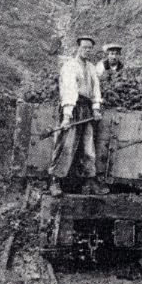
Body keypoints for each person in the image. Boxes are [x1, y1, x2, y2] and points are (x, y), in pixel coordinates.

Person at [48, 36, 108, 197]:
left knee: (88, 148)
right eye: (84, 47)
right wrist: (67, 116)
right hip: (73, 108)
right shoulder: (70, 66)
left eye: (89, 48)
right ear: (78, 48)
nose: (87, 51)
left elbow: (96, 90)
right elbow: (68, 91)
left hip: (86, 109)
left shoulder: (91, 68)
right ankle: (55, 181)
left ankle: (89, 181)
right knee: (66, 146)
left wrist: (96, 108)